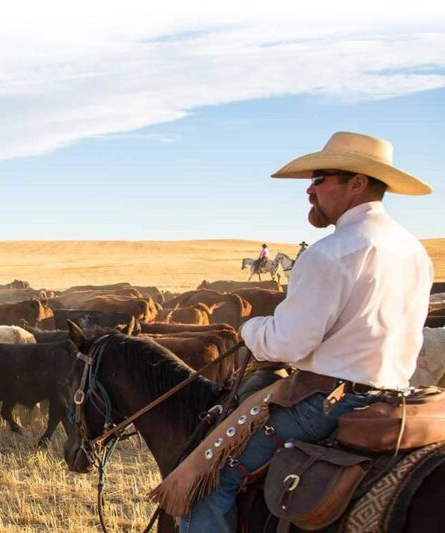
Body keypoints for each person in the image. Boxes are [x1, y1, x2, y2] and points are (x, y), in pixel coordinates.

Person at [177, 132, 433, 532]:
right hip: (394, 397)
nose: (309, 191)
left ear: (358, 183)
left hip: (325, 403)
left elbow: (289, 343)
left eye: (319, 179)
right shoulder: (414, 250)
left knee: (204, 483)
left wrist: (252, 328)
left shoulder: (332, 252)